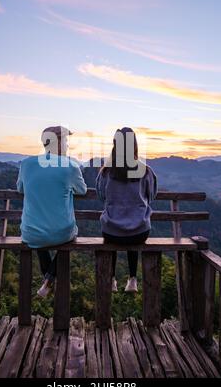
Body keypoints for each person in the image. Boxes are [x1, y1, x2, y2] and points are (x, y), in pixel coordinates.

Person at [16, 126, 87, 297]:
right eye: (67, 142)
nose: (68, 146)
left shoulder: (26, 164)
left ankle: (47, 281)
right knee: (68, 237)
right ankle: (48, 280)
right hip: (61, 233)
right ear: (60, 143)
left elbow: (20, 189)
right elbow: (82, 190)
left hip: (30, 233)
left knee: (39, 231)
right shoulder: (70, 166)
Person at [95, 127, 157, 293]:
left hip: (111, 231)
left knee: (114, 228)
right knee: (133, 226)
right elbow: (151, 196)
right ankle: (132, 279)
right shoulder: (146, 171)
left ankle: (112, 279)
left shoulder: (106, 171)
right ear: (135, 145)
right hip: (140, 231)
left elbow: (101, 196)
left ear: (115, 145)